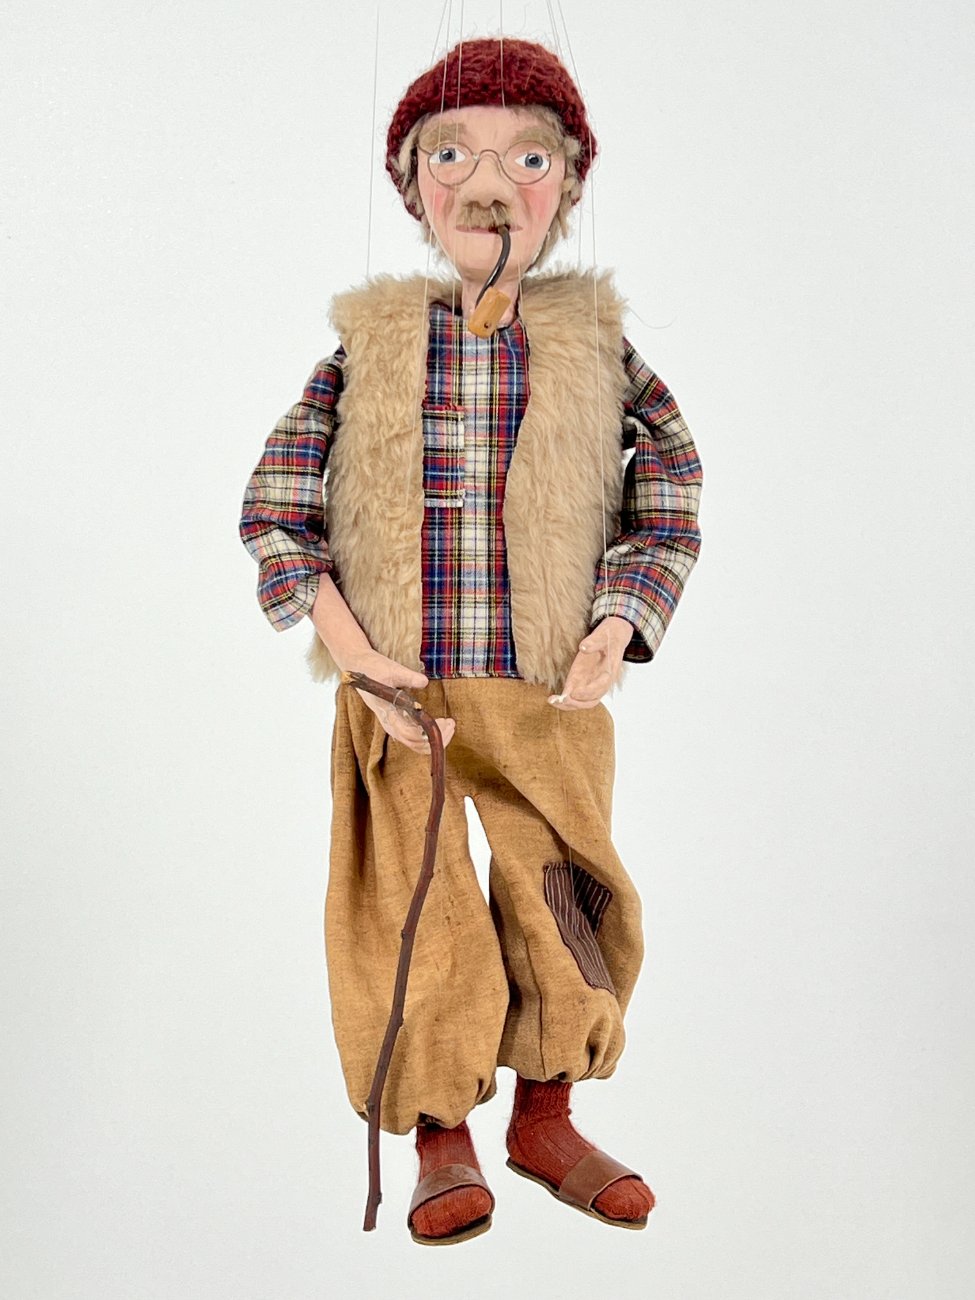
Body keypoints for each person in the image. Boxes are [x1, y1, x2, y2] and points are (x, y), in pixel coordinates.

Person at [239, 36, 704, 1246]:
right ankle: (440, 1128)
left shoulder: (597, 346)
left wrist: (621, 614)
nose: (489, 185)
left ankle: (547, 1112)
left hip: (551, 682)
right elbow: (275, 507)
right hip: (404, 689)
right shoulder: (371, 348)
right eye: (453, 155)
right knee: (412, 892)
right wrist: (353, 652)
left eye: (526, 158)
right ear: (414, 186)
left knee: (566, 876)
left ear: (567, 185)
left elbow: (672, 485)